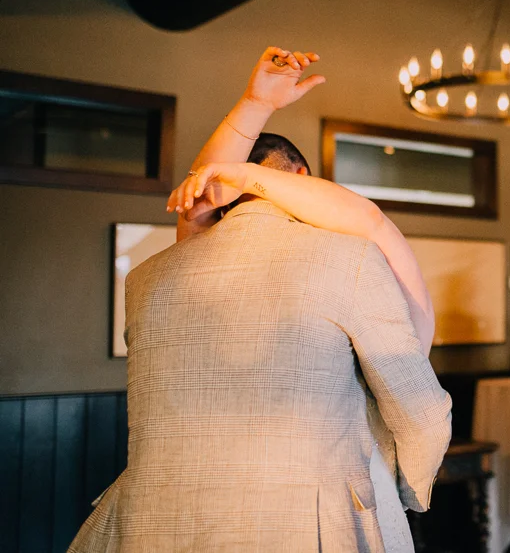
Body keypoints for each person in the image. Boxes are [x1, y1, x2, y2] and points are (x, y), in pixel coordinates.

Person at [166, 48, 441, 550]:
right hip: (329, 499)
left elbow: (197, 202)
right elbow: (414, 363)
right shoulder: (352, 255)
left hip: (197, 503)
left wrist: (254, 108)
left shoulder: (189, 262)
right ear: (302, 177)